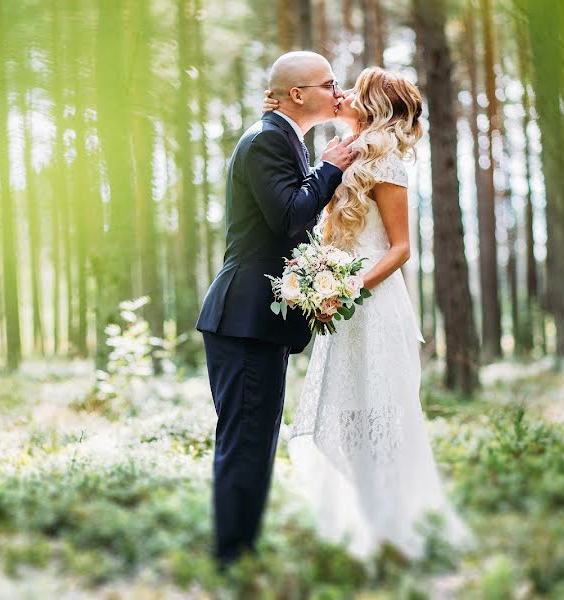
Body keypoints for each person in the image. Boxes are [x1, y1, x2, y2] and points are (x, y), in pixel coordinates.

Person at [263, 67, 474, 561]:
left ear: (375, 107)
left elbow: (400, 249)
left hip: (374, 305)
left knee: (380, 411)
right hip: (343, 308)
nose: (343, 94)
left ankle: (393, 527)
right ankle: (363, 523)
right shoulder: (342, 154)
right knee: (345, 409)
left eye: (355, 90)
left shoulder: (388, 164)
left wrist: (351, 286)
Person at [195, 51, 359, 567]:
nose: (339, 91)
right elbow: (291, 218)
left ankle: (239, 554)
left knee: (255, 442)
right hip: (244, 319)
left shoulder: (285, 139)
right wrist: (329, 170)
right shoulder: (267, 140)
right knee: (245, 443)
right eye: (330, 83)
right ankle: (232, 562)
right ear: (298, 94)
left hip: (258, 322)